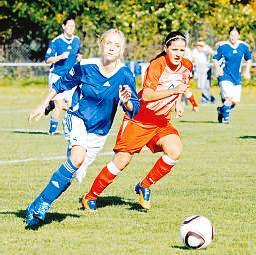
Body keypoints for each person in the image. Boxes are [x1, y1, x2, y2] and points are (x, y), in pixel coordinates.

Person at [25, 29, 140, 227]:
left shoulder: (125, 74)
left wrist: (127, 102)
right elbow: (60, 85)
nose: (112, 47)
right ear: (101, 44)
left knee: (75, 171)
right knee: (77, 157)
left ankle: (40, 204)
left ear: (122, 50)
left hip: (99, 133)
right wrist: (42, 105)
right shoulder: (86, 66)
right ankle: (39, 205)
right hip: (77, 118)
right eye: (109, 43)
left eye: (117, 45)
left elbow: (134, 108)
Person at [81, 31, 192, 211]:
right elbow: (147, 95)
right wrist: (174, 92)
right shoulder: (157, 65)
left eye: (182, 50)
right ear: (166, 49)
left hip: (161, 121)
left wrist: (178, 102)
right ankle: (90, 196)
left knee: (175, 151)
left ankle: (144, 185)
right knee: (122, 161)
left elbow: (182, 84)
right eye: (175, 49)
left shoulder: (187, 65)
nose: (179, 53)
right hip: (140, 119)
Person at [44, 16, 82, 135]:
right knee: (60, 105)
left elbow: (77, 53)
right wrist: (60, 57)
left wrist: (78, 57)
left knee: (71, 106)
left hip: (70, 77)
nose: (71, 28)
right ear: (63, 26)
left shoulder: (77, 40)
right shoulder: (56, 42)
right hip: (56, 76)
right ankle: (52, 132)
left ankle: (51, 104)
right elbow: (47, 60)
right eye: (69, 26)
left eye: (73, 26)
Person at [213, 26, 252, 124]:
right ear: (229, 35)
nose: (233, 37)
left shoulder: (243, 46)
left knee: (234, 102)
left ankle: (221, 110)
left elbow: (249, 59)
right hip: (224, 75)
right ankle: (226, 120)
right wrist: (218, 69)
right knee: (228, 98)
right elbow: (215, 58)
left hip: (236, 77)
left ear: (239, 35)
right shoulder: (223, 46)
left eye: (235, 35)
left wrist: (247, 71)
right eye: (231, 35)